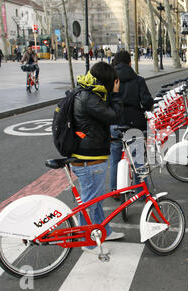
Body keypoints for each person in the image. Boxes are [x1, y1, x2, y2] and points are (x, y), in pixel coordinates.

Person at [70, 62, 124, 254]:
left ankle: (105, 231)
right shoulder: (90, 98)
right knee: (91, 202)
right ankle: (89, 242)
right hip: (88, 158)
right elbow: (115, 116)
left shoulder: (89, 93)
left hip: (90, 155)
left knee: (96, 199)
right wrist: (116, 94)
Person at [109, 50, 154, 196]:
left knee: (115, 158)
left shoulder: (110, 80)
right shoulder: (138, 80)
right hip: (134, 123)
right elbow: (147, 102)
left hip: (115, 122)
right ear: (130, 63)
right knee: (138, 159)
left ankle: (115, 190)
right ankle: (141, 191)